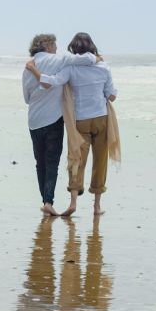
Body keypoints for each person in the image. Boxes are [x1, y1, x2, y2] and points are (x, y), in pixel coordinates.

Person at [26, 32, 117, 216]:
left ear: (74, 49)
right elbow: (112, 95)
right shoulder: (104, 67)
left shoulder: (70, 69)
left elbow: (50, 82)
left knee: (76, 160)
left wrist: (33, 69)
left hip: (80, 121)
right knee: (100, 162)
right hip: (102, 119)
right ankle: (97, 206)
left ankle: (73, 202)